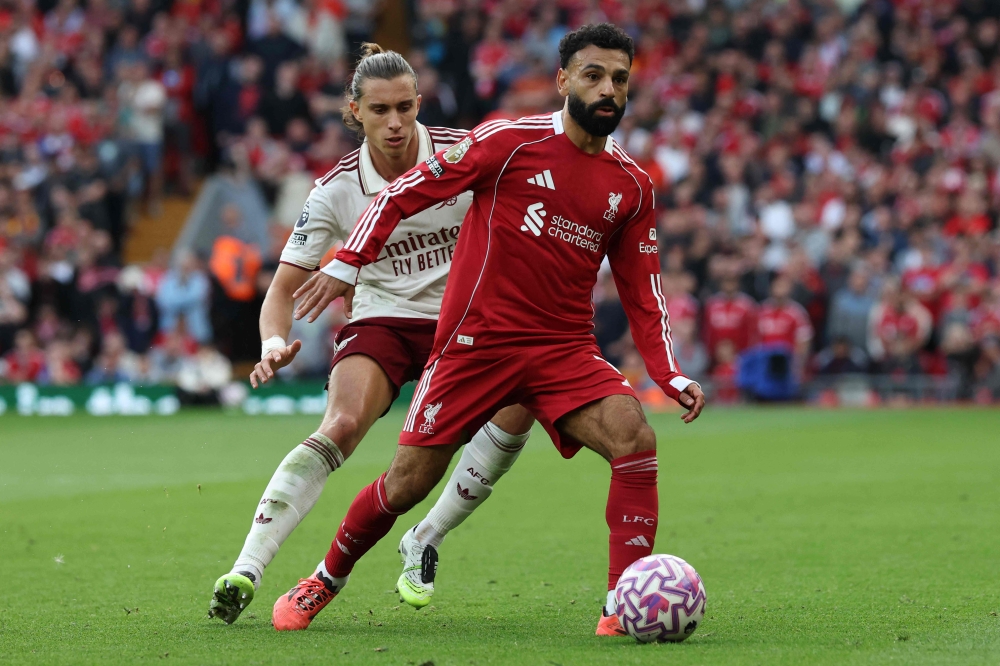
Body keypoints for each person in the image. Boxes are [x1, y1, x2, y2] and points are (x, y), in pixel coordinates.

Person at [284, 24, 705, 636]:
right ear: (562, 80)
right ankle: (326, 576)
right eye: (593, 74)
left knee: (634, 437)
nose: (607, 88)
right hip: (477, 345)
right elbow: (403, 192)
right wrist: (351, 256)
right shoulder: (508, 141)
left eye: (619, 77)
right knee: (406, 484)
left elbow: (645, 291)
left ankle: (623, 604)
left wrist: (667, 372)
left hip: (563, 349)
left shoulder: (632, 185)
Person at [207, 44, 535, 624]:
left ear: (418, 103)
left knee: (519, 405)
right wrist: (272, 344)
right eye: (380, 110)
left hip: (465, 321)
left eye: (406, 107)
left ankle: (426, 536)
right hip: (382, 320)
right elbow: (281, 291)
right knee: (341, 424)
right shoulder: (335, 189)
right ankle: (246, 569)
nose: (395, 123)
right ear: (353, 110)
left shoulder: (464, 153)